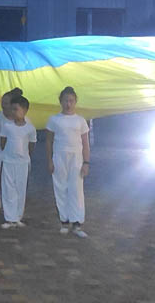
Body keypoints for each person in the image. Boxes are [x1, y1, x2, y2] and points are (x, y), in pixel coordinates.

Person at [46, 87, 91, 238]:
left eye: (71, 101)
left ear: (75, 101)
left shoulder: (80, 121)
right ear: (60, 101)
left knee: (76, 189)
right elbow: (49, 142)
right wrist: (49, 160)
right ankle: (64, 221)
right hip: (59, 156)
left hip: (76, 158)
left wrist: (86, 163)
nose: (68, 104)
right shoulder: (54, 120)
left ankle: (77, 222)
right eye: (65, 101)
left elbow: (85, 143)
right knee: (60, 187)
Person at [0, 94, 36, 229]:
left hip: (23, 163)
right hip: (8, 161)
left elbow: (31, 145)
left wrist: (25, 157)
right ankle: (9, 218)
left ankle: (18, 217)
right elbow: (2, 143)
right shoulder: (7, 126)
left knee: (21, 189)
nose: (13, 112)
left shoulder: (30, 128)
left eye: (16, 109)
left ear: (25, 110)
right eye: (12, 109)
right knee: (8, 189)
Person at [0, 88, 21, 219]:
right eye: (2, 102)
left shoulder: (19, 117)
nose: (3, 105)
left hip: (13, 153)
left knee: (12, 180)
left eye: (6, 102)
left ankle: (12, 207)